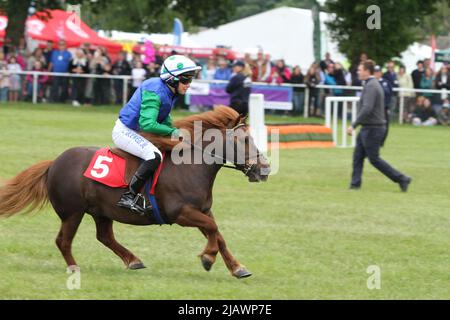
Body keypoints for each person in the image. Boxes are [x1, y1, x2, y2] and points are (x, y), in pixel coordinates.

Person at [112, 55, 201, 214]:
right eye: (186, 80)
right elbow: (148, 123)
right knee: (154, 156)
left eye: (190, 80)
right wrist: (173, 131)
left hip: (138, 131)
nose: (189, 85)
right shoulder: (155, 90)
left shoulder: (169, 90)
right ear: (172, 79)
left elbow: (164, 116)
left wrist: (178, 133)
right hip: (125, 131)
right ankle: (129, 196)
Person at [347, 60, 411, 192]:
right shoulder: (371, 84)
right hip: (369, 127)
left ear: (366, 71)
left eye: (360, 69)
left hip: (373, 128)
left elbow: (367, 108)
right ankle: (355, 184)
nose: (358, 72)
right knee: (357, 156)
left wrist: (353, 125)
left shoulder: (371, 86)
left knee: (374, 159)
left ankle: (402, 178)